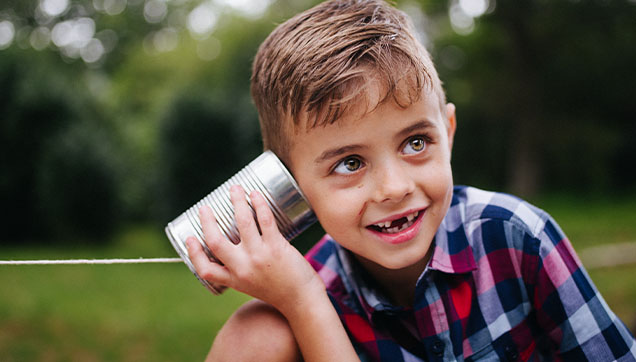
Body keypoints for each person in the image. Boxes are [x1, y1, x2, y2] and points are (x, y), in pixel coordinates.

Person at [185, 0, 636, 361]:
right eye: (349, 163)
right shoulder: (309, 290)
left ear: (449, 133)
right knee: (254, 333)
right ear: (288, 185)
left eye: (416, 143)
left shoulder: (517, 238)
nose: (394, 188)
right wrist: (305, 302)